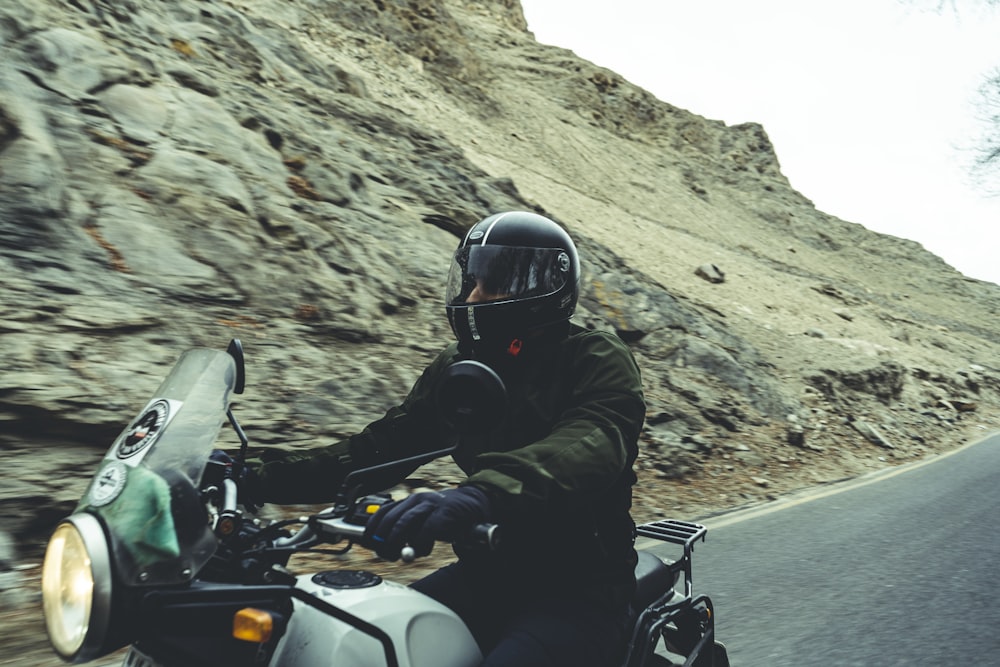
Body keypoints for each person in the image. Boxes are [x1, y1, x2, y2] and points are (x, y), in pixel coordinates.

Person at [250, 211, 646, 666]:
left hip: (579, 589)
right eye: (472, 280)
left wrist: (479, 495)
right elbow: (376, 451)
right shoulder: (463, 367)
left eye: (492, 283)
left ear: (544, 288)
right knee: (361, 639)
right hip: (486, 575)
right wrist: (254, 475)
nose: (472, 295)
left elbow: (590, 443)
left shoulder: (596, 358)